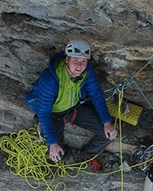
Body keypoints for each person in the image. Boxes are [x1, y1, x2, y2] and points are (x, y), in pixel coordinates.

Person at [25, 39, 118, 171]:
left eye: (83, 61)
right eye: (76, 60)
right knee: (57, 154)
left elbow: (96, 94)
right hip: (53, 114)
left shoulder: (87, 72)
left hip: (74, 108)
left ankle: (84, 156)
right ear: (67, 59)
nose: (79, 66)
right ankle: (67, 154)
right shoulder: (50, 79)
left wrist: (107, 122)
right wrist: (52, 143)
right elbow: (44, 113)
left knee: (108, 135)